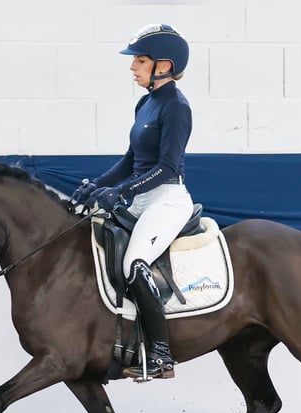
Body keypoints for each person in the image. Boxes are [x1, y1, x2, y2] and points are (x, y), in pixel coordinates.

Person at [75, 24, 193, 380]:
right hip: (141, 196)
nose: (132, 68)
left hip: (166, 199)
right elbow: (130, 161)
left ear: (163, 65)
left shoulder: (176, 107)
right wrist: (97, 185)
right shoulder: (146, 102)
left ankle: (160, 354)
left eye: (140, 61)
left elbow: (167, 167)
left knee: (135, 261)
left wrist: (124, 191)